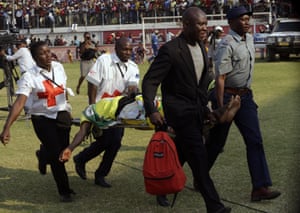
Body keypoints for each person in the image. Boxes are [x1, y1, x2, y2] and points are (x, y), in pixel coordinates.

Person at [142, 7, 231, 213]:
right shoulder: (171, 50)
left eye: (205, 23)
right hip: (180, 115)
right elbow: (150, 81)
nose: (204, 28)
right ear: (186, 25)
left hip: (197, 112)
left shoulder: (202, 47)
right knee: (199, 159)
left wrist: (206, 109)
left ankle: (162, 188)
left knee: (182, 153)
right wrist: (151, 110)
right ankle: (214, 206)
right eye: (199, 24)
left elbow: (199, 84)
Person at [206, 6, 281, 202]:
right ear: (231, 23)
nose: (247, 22)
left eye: (248, 19)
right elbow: (220, 78)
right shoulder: (226, 44)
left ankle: (260, 188)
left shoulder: (249, 38)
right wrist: (222, 107)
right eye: (242, 19)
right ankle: (201, 176)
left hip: (245, 98)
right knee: (216, 143)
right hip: (227, 97)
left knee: (255, 140)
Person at [0, 41, 75, 202]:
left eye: (48, 51)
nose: (47, 55)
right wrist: (7, 128)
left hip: (62, 115)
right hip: (42, 118)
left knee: (63, 150)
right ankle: (64, 191)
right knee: (57, 156)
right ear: (34, 57)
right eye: (42, 53)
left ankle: (43, 155)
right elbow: (20, 102)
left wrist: (68, 107)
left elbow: (62, 89)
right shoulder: (29, 76)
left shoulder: (59, 67)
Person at [72, 37, 140, 188]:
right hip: (100, 109)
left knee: (114, 142)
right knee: (110, 141)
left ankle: (90, 166)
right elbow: (92, 84)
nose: (128, 52)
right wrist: (92, 109)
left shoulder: (133, 66)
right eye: (124, 49)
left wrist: (134, 90)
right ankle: (89, 165)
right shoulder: (104, 60)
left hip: (119, 111)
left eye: (130, 49)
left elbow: (132, 86)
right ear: (116, 48)